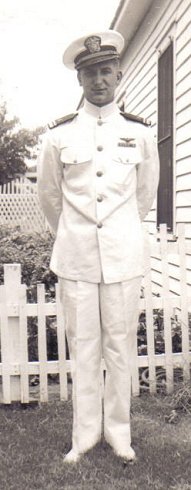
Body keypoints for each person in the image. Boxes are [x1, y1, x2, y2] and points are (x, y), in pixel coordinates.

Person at [38, 30, 159, 464]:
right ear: (80, 80)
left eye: (106, 71)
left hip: (124, 256)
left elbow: (144, 196)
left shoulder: (140, 134)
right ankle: (84, 436)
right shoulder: (58, 136)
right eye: (90, 73)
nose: (99, 80)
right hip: (77, 256)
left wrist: (118, 231)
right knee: (84, 345)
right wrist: (75, 233)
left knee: (120, 346)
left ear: (119, 74)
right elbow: (50, 199)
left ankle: (119, 433)